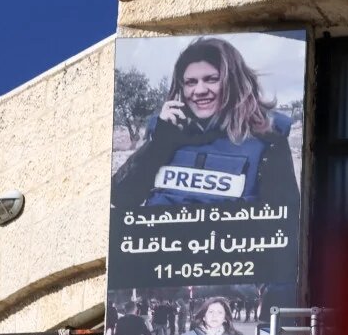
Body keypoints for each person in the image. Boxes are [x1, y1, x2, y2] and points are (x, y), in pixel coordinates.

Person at [112, 37, 300, 208]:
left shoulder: (267, 138)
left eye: (211, 79)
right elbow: (120, 197)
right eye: (191, 82)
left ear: (233, 83)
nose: (200, 90)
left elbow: (284, 222)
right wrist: (159, 143)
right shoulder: (165, 133)